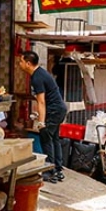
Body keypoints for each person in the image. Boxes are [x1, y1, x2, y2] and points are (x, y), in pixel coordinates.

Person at [18, 51, 68, 183]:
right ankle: (57, 169)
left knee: (46, 138)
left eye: (21, 61)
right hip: (60, 109)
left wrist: (41, 122)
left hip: (54, 110)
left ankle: (49, 171)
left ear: (28, 63)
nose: (20, 64)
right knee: (54, 138)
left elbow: (41, 101)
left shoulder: (37, 77)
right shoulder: (41, 73)